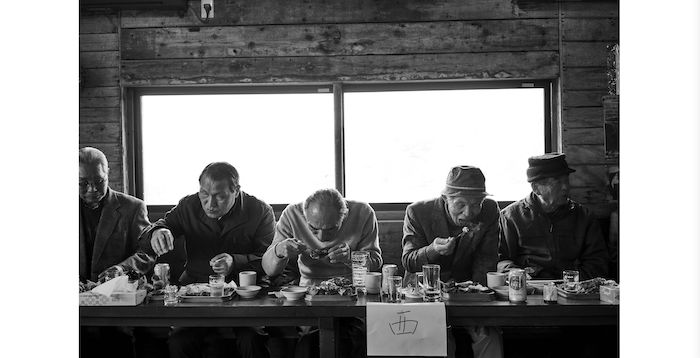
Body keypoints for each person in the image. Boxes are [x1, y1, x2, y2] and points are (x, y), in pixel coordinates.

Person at [137, 162, 275, 358]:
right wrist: (156, 232)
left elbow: (268, 259)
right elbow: (156, 229)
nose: (210, 203)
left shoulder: (260, 211)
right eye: (204, 194)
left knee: (251, 339)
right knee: (180, 341)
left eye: (219, 196)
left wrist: (235, 262)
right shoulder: (189, 205)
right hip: (196, 291)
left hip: (245, 294)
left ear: (236, 191)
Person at [262, 188, 382, 358]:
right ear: (305, 216)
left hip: (352, 295)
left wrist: (350, 258)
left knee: (348, 339)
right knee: (305, 342)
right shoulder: (292, 214)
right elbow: (269, 269)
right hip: (307, 295)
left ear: (344, 216)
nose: (322, 237)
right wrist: (279, 251)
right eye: (313, 228)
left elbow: (375, 263)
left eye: (331, 229)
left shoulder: (363, 212)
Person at [402, 165, 504, 358]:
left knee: (488, 336)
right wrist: (432, 250)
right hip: (426, 294)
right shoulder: (418, 212)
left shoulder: (489, 210)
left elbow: (487, 260)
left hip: (468, 293)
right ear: (445, 199)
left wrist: (474, 293)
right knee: (439, 339)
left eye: (475, 204)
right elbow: (409, 261)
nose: (468, 213)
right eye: (460, 205)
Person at [79, 147, 153, 358]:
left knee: (117, 337)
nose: (92, 189)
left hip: (117, 300)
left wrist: (123, 269)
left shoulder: (133, 207)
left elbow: (147, 252)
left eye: (99, 181)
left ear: (108, 173)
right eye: (83, 183)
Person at [497, 153, 609, 280]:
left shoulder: (584, 217)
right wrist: (519, 275)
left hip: (572, 290)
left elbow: (597, 262)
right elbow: (501, 261)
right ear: (536, 188)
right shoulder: (511, 217)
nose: (565, 187)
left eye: (566, 180)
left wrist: (571, 283)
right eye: (557, 182)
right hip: (529, 290)